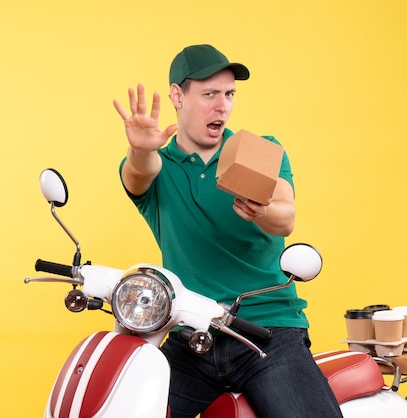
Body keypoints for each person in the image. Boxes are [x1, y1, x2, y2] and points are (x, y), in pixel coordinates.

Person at [112, 44, 343, 418]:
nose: (222, 105)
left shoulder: (258, 152)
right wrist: (139, 150)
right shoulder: (162, 166)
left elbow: (285, 216)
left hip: (267, 332)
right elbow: (138, 174)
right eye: (209, 94)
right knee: (129, 407)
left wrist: (261, 209)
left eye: (229, 94)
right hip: (190, 334)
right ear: (177, 96)